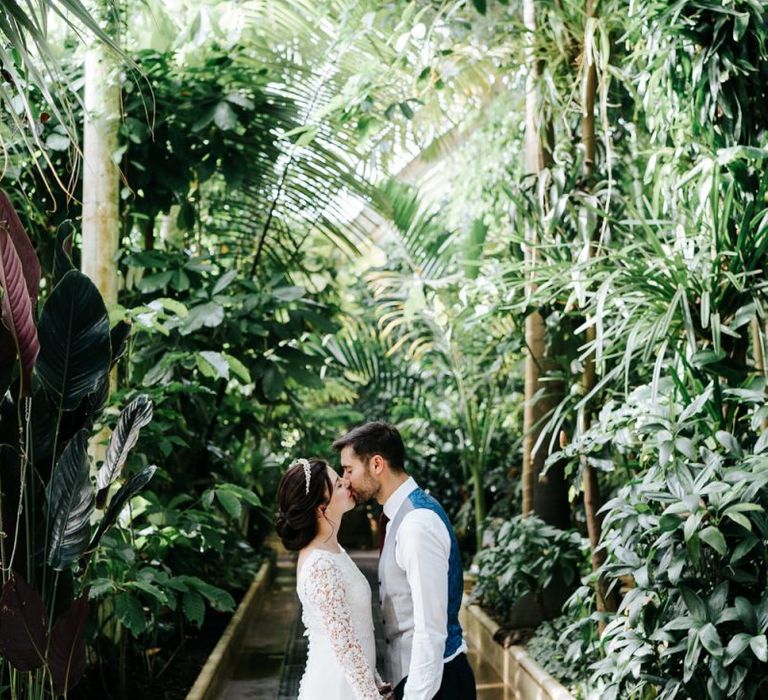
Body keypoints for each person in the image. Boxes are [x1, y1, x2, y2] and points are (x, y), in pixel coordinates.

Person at [334, 423, 477, 700]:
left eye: (349, 470)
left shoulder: (416, 524)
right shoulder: (399, 515)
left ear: (377, 464)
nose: (345, 479)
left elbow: (430, 629)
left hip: (437, 683)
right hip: (418, 679)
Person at [276, 458, 392, 700]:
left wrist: (374, 680)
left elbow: (352, 632)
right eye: (339, 484)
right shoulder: (320, 564)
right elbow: (343, 644)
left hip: (353, 685)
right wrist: (371, 696)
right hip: (336, 689)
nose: (347, 483)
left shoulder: (334, 549)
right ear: (322, 508)